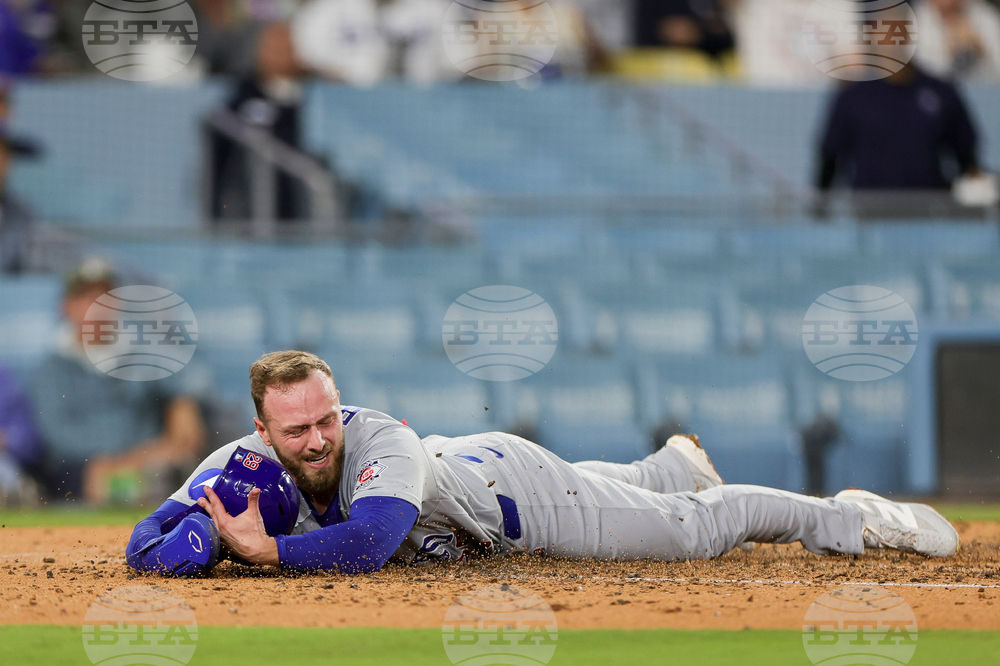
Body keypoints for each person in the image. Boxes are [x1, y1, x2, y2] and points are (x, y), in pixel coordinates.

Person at [126, 350, 959, 577]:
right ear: (262, 431)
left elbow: (373, 542)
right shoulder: (242, 462)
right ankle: (665, 465)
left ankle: (850, 518)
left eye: (323, 419)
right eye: (295, 429)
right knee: (629, 489)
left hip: (513, 497)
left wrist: (263, 553)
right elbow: (146, 534)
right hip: (469, 472)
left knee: (692, 535)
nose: (316, 438)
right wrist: (189, 540)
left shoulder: (377, 440)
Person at [29, 258, 208, 504]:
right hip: (84, 470)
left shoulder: (146, 353)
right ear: (67, 306)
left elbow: (187, 383)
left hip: (150, 462)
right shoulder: (50, 370)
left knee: (178, 460)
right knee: (94, 478)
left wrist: (184, 406)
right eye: (87, 299)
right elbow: (57, 436)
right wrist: (120, 460)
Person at [815, 62, 984, 217]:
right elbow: (830, 157)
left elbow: (966, 157)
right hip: (869, 216)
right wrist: (820, 207)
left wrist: (976, 191)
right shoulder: (853, 95)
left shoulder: (941, 91)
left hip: (928, 215)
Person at [914, 0, 1000, 82]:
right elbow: (926, 72)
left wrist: (979, 48)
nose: (947, 3)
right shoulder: (916, 21)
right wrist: (951, 50)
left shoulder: (985, 15)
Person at [0, 364, 44, 506]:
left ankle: (14, 492)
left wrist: (8, 439)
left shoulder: (5, 379)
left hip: (6, 459)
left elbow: (29, 438)